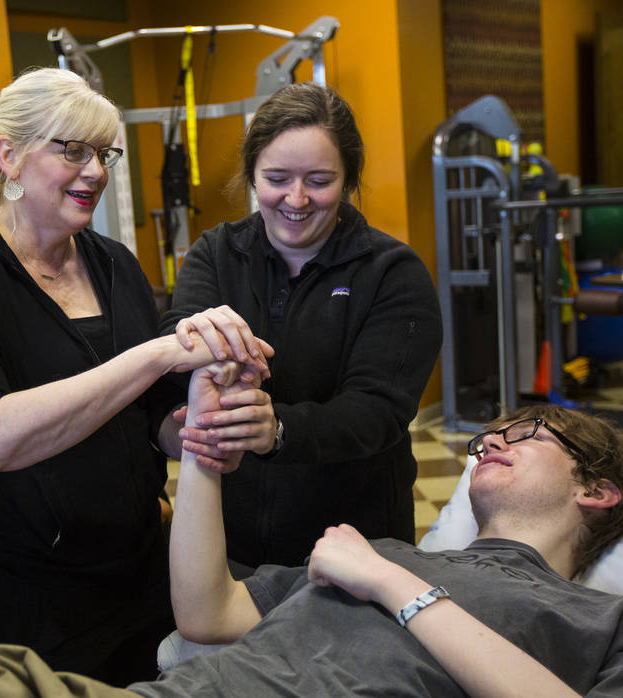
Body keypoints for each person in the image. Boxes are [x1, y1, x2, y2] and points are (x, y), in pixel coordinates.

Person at [0, 395, 623, 696]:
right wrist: (204, 448)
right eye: (496, 427)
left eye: (528, 435)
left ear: (597, 485)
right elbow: (206, 613)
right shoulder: (371, 548)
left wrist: (392, 582)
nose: (496, 436)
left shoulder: (619, 624)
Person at [0, 67, 269, 684]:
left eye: (104, 153)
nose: (96, 171)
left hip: (132, 566)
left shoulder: (113, 264)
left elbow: (148, 414)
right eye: (73, 150)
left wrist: (201, 429)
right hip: (15, 587)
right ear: (8, 156)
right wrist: (158, 353)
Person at [160, 81, 443, 569]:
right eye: (276, 177)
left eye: (318, 180)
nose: (296, 198)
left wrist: (279, 428)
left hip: (354, 544)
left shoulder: (393, 272)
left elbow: (377, 411)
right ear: (252, 175)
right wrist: (198, 351)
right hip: (231, 538)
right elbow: (176, 343)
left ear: (349, 179)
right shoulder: (215, 253)